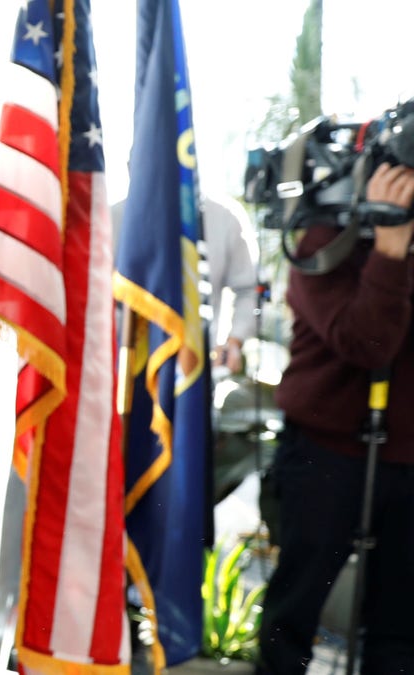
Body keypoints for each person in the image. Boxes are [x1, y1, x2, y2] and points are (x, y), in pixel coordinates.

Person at [255, 162, 414, 674]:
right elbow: (366, 343)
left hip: (409, 463)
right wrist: (390, 249)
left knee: (399, 632)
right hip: (325, 454)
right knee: (292, 617)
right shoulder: (325, 235)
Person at [112, 194, 259, 373]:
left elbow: (247, 290)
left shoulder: (225, 217)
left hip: (198, 364)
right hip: (128, 363)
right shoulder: (114, 216)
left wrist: (235, 340)